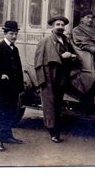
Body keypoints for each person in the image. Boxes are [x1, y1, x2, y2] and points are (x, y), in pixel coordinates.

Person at [34, 15, 78, 143]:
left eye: (62, 25)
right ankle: (53, 131)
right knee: (50, 104)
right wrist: (42, 80)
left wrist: (71, 56)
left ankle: (56, 129)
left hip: (61, 77)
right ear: (52, 27)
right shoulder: (46, 41)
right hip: (48, 77)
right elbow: (38, 61)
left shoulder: (66, 40)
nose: (60, 27)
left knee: (58, 104)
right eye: (58, 25)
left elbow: (70, 57)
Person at [0, 20, 24, 152]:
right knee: (1, 114)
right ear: (5, 34)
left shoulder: (15, 49)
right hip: (1, 88)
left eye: (15, 34)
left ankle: (8, 136)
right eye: (11, 34)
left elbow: (18, 69)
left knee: (11, 113)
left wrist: (20, 88)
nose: (14, 36)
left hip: (13, 89)